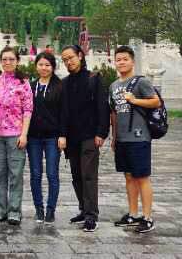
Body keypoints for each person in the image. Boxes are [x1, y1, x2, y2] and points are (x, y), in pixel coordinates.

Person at [109, 45, 161, 234]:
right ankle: (132, 214)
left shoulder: (141, 82)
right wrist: (114, 136)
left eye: (125, 59)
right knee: (129, 176)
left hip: (139, 137)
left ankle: (147, 217)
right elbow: (114, 113)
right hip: (122, 138)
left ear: (132, 61)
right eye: (118, 59)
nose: (121, 62)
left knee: (142, 177)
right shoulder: (114, 86)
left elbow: (156, 101)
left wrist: (134, 100)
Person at [60, 44, 110, 232]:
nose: (68, 62)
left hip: (90, 135)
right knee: (76, 175)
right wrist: (62, 134)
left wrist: (101, 133)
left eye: (71, 57)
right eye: (65, 60)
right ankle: (83, 208)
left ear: (80, 56)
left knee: (88, 175)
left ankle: (91, 215)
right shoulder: (65, 83)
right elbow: (63, 113)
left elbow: (102, 107)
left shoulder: (94, 79)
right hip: (72, 138)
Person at [0, 47, 33, 225]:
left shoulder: (23, 83)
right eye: (4, 59)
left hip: (15, 135)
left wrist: (24, 134)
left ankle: (14, 210)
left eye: (11, 59)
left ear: (17, 61)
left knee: (16, 174)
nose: (7, 62)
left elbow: (28, 110)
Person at [27, 52, 67, 224]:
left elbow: (64, 113)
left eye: (47, 65)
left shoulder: (60, 87)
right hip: (33, 137)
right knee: (35, 174)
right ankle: (39, 209)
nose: (44, 68)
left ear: (53, 67)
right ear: (36, 66)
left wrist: (62, 135)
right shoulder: (31, 86)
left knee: (52, 174)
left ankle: (51, 210)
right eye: (41, 64)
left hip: (53, 137)